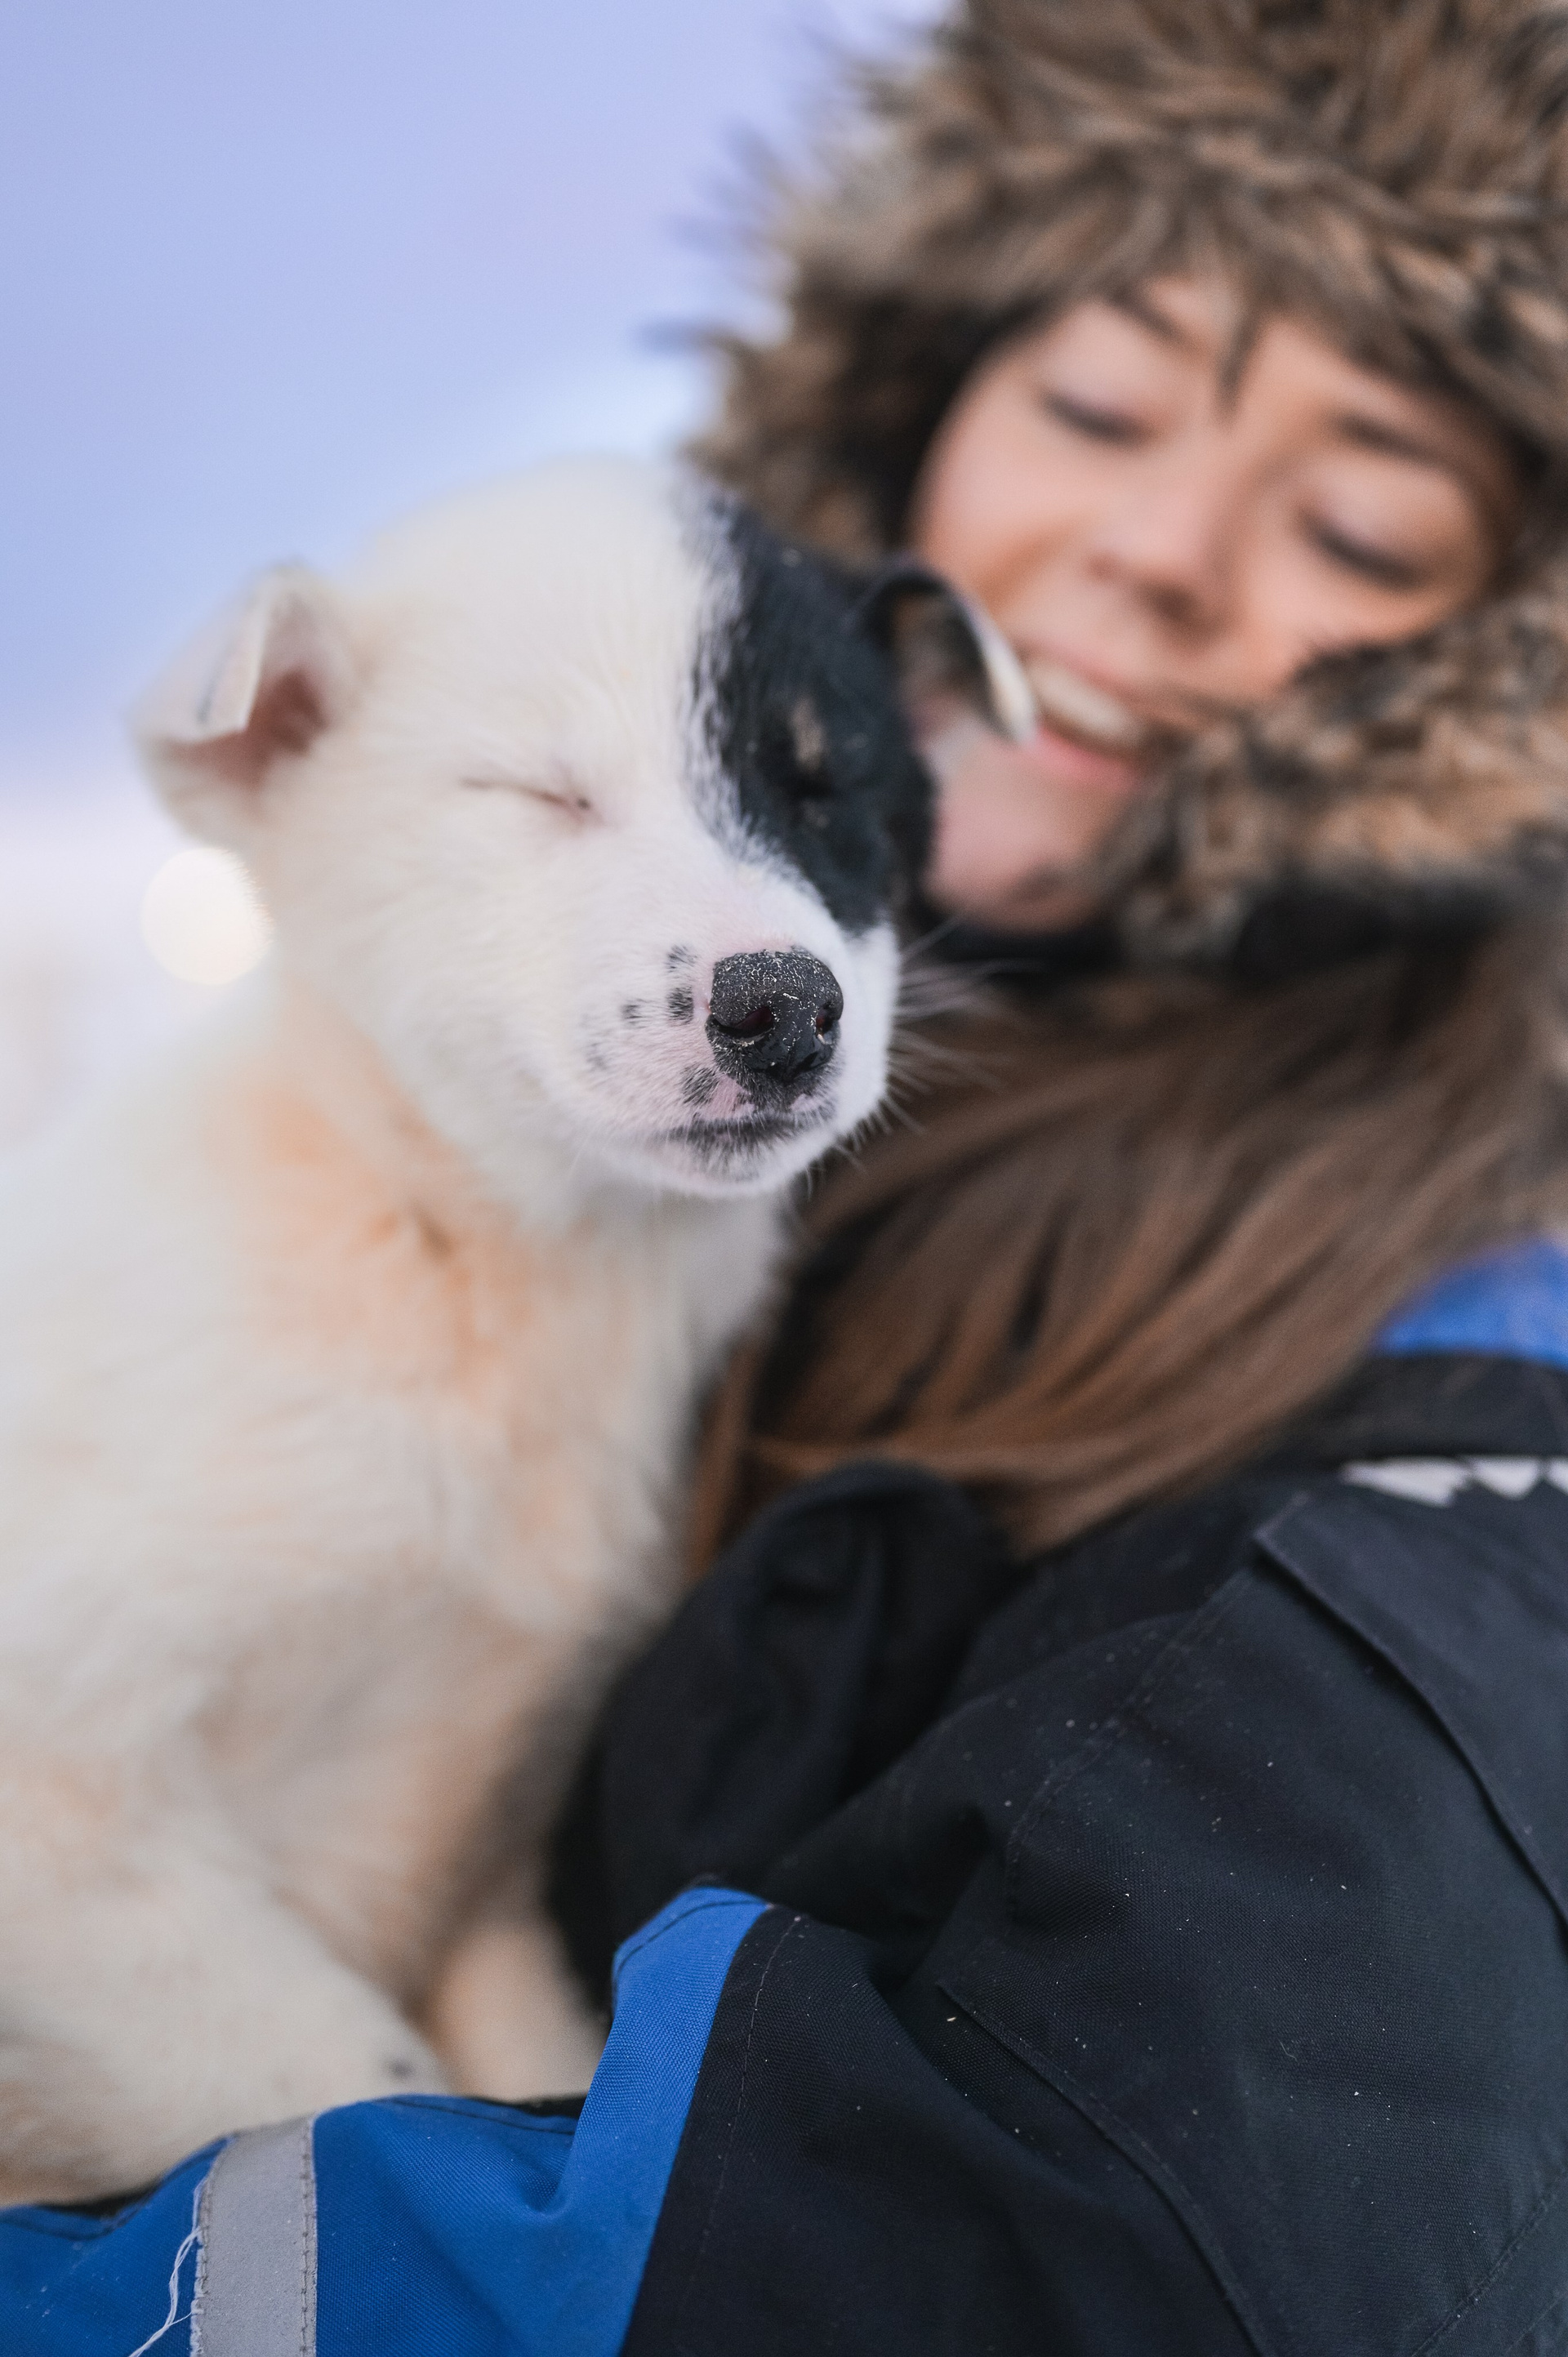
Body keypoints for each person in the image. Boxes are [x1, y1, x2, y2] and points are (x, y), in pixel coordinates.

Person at [7, 4, 1568, 2351]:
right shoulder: (623, 1171)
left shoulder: (1452, 1395)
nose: (1156, 551)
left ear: (1497, 675)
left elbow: (1097, 2231)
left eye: (1358, 518)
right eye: (1100, 403)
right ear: (915, 416)